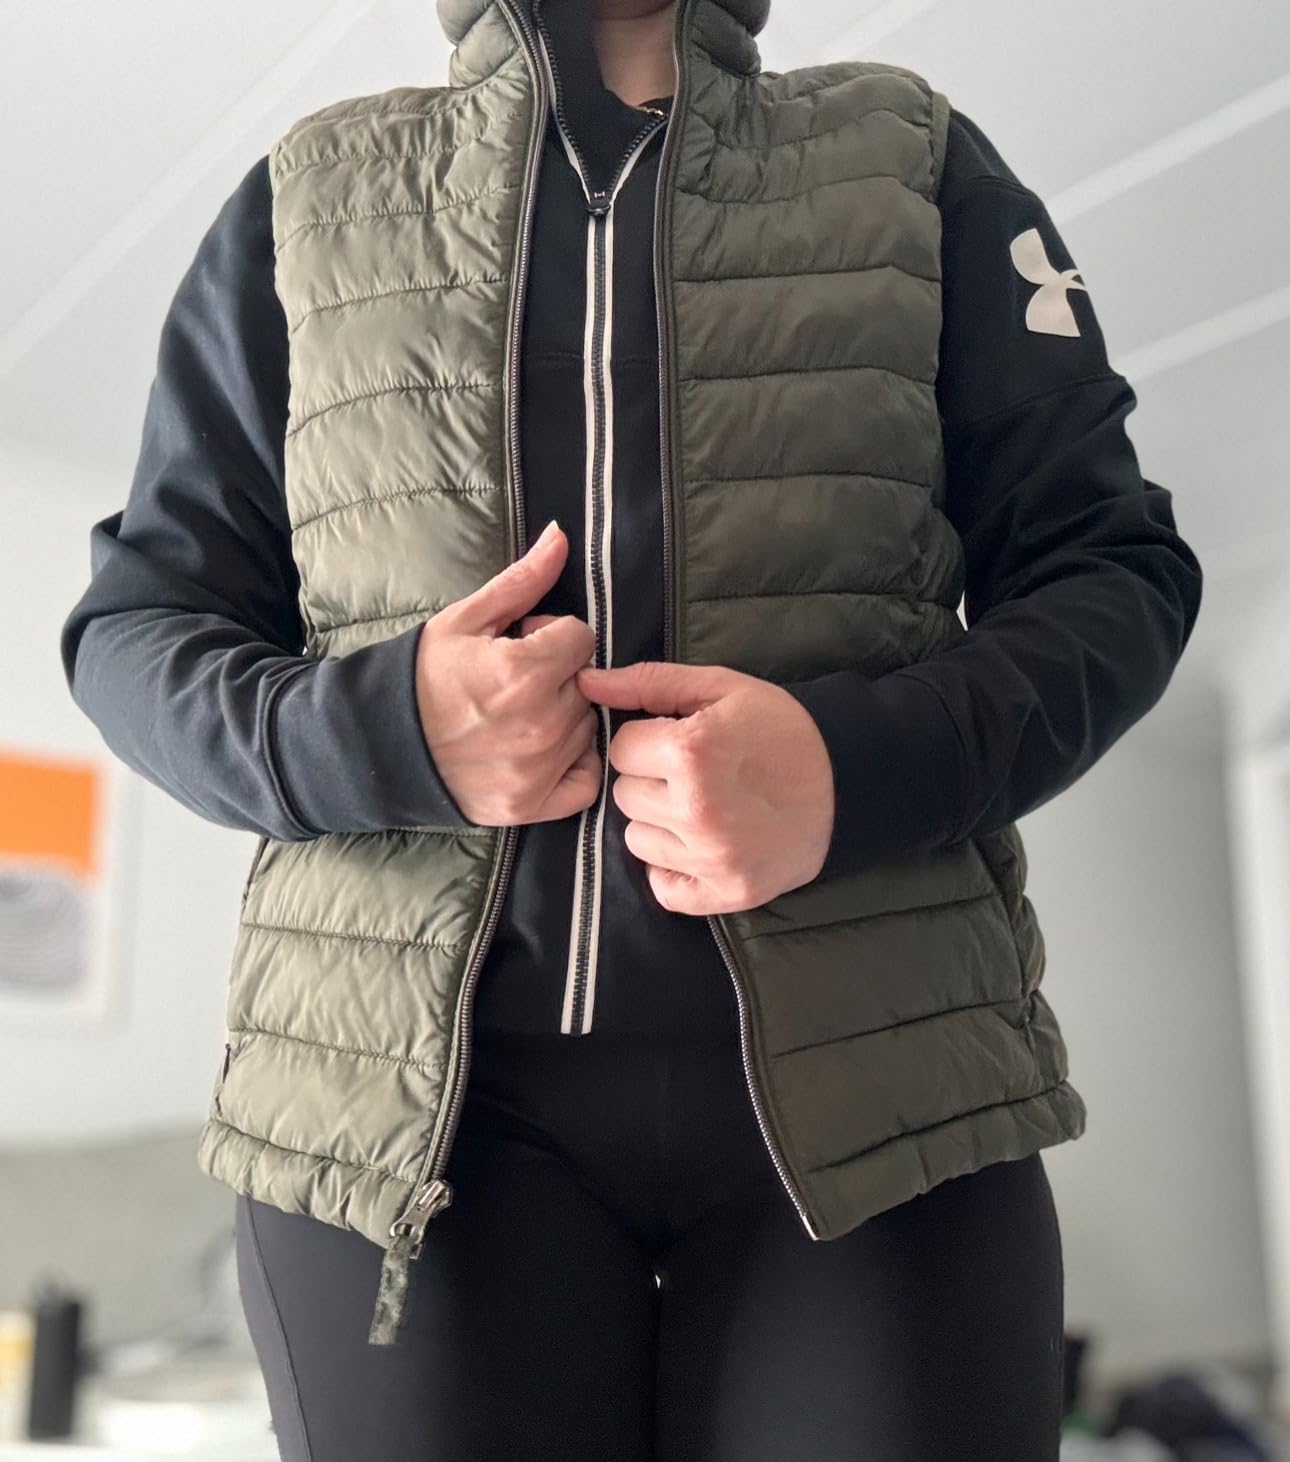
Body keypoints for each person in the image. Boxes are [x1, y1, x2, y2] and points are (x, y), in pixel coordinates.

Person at [59, 0, 1203, 1456]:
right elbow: (135, 632)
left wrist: (847, 771)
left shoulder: (912, 158)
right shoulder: (309, 194)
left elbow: (1114, 571)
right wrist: (387, 730)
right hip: (402, 1126)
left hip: (885, 1090)